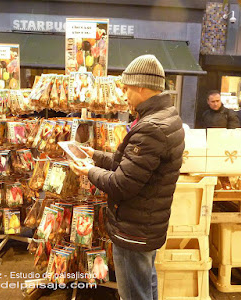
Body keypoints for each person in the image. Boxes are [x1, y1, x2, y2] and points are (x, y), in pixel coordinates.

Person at [69, 55, 185, 300]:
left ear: (142, 87)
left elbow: (122, 184)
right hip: (146, 224)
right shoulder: (167, 116)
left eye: (128, 88)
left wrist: (87, 171)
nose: (125, 94)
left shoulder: (151, 126)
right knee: (146, 284)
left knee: (134, 294)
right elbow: (132, 166)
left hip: (134, 229)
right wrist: (96, 155)